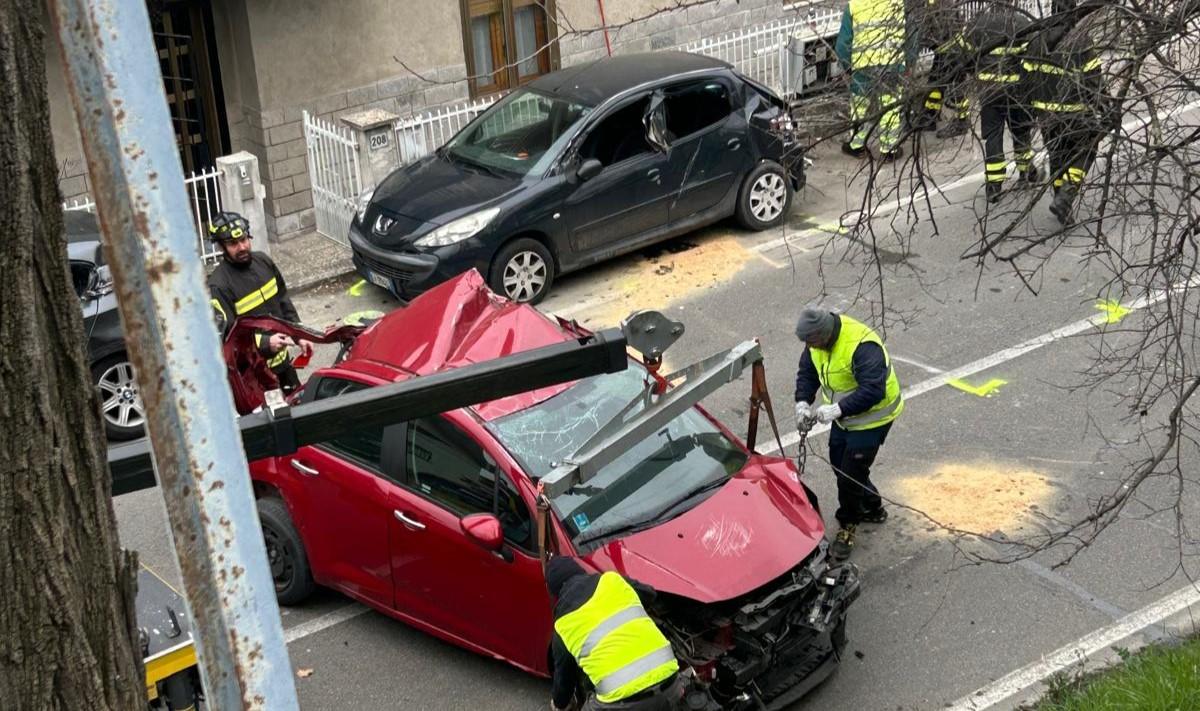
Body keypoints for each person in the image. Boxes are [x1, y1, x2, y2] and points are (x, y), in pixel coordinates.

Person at [794, 308, 903, 561]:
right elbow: (808, 373)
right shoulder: (816, 344)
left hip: (872, 420)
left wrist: (838, 409)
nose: (809, 347)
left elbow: (873, 390)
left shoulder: (862, 346)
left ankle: (848, 524)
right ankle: (872, 505)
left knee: (850, 475)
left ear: (823, 334)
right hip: (844, 420)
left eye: (811, 342)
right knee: (839, 465)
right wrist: (802, 402)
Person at [546, 556, 683, 711]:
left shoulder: (562, 625)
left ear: (556, 593)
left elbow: (564, 679)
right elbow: (649, 594)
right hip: (673, 684)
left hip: (625, 704)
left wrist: (558, 704)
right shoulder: (612, 580)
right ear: (581, 571)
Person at [207, 211, 311, 393]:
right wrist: (264, 343)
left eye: (244, 240)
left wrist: (299, 333)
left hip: (284, 366)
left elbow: (283, 300)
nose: (242, 247)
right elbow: (230, 337)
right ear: (221, 247)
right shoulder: (219, 285)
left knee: (297, 407)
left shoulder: (263, 261)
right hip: (255, 375)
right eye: (233, 244)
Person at [1023, 0, 1107, 224]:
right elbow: (1094, 80)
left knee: (1058, 157)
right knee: (1086, 151)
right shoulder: (1080, 40)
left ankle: (1063, 205)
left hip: (1047, 115)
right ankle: (1066, 195)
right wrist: (1106, 107)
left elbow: (1027, 79)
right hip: (1076, 112)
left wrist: (1034, 109)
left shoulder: (1037, 40)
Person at [962, 2, 1038, 203]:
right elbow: (1031, 57)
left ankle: (994, 187)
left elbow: (967, 58)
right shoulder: (1021, 22)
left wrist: (979, 77)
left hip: (988, 90)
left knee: (993, 136)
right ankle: (1027, 173)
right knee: (1021, 130)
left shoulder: (976, 25)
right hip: (1016, 90)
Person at [836, 0, 912, 161]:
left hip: (863, 66)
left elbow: (842, 45)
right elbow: (911, 35)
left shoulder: (854, 5)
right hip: (892, 65)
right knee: (890, 106)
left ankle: (857, 146)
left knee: (860, 108)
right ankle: (889, 150)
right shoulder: (898, 3)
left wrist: (849, 67)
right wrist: (908, 63)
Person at [910, 0, 970, 137]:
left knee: (955, 88)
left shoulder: (936, 4)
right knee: (935, 82)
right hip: (946, 49)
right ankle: (930, 116)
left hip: (950, 50)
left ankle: (962, 122)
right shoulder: (937, 3)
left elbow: (927, 33)